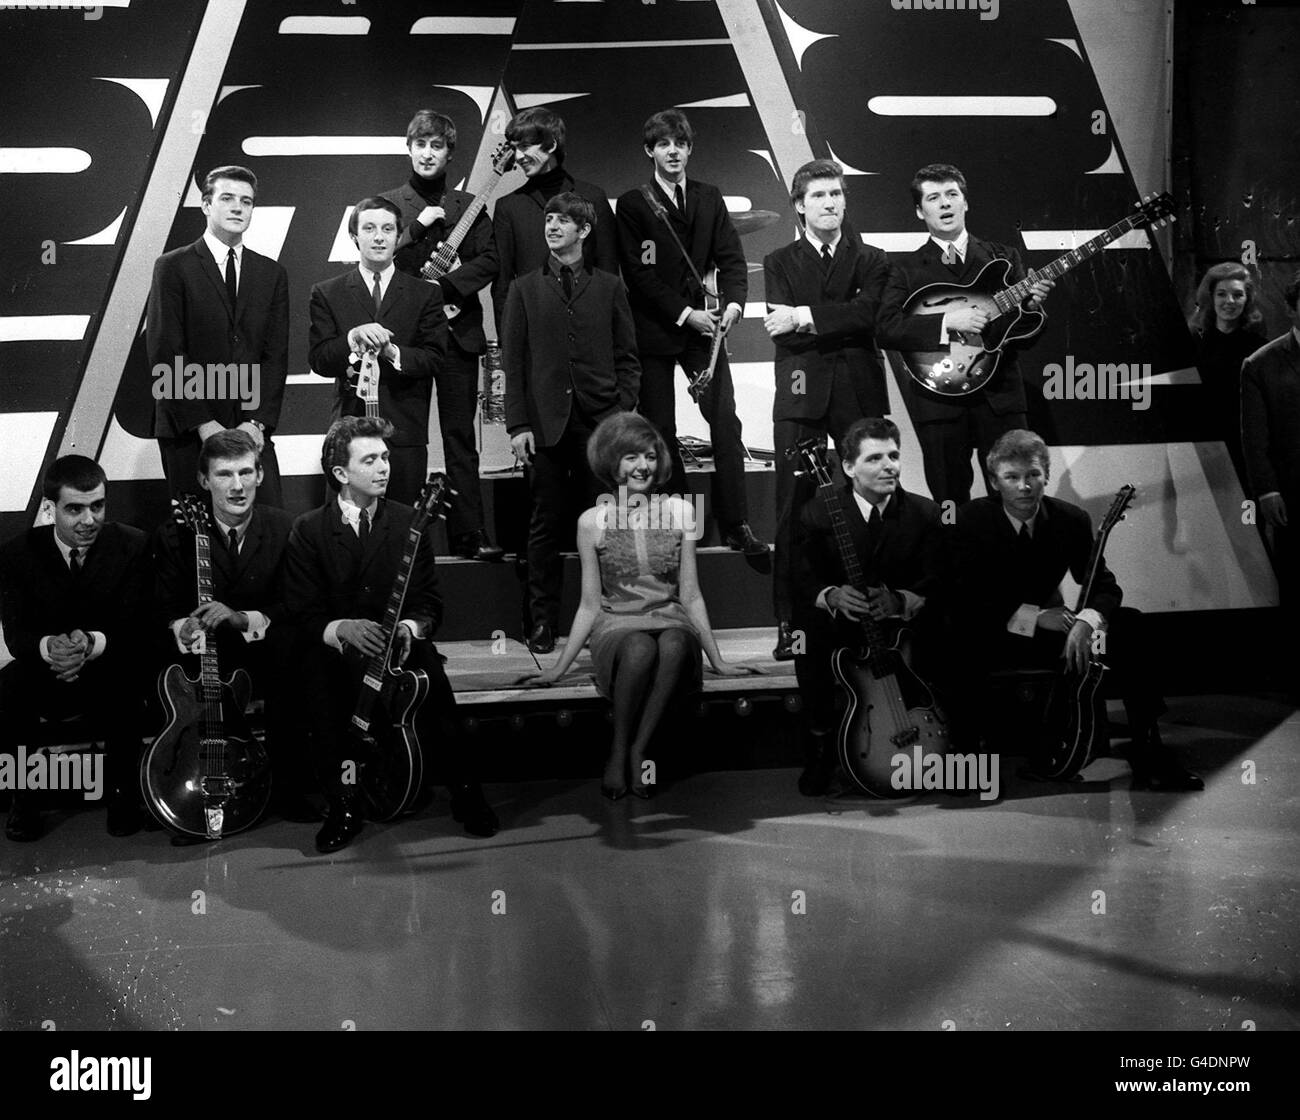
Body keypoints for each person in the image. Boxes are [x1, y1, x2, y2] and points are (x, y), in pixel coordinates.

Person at [282, 416, 498, 853]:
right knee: (322, 695)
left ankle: (466, 793)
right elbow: (301, 613)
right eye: (370, 459)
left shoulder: (408, 523)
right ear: (341, 474)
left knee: (436, 686)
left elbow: (430, 604)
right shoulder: (308, 530)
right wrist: (342, 628)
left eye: (385, 456)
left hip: (397, 646)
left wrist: (409, 627)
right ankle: (344, 804)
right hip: (338, 652)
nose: (384, 467)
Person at [952, 430, 1202, 790]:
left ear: (1046, 475)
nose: (1024, 487)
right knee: (954, 634)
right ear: (994, 481)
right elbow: (966, 599)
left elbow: (1104, 584)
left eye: (1033, 475)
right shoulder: (970, 520)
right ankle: (969, 753)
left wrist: (1087, 620)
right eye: (1012, 477)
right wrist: (1035, 617)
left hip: (1058, 635)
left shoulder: (1070, 519)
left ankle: (1149, 747)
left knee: (1130, 624)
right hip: (996, 634)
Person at [523, 414, 750, 798]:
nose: (641, 466)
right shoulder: (591, 521)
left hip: (671, 619)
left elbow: (691, 594)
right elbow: (589, 605)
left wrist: (718, 660)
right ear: (611, 463)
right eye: (630, 457)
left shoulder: (681, 511)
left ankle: (638, 750)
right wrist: (557, 669)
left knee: (676, 643)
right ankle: (618, 748)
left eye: (648, 456)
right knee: (641, 647)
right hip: (617, 626)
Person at [615, 109, 768, 556]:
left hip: (706, 333)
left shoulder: (709, 197)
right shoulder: (634, 204)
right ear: (650, 151)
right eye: (664, 144)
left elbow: (732, 257)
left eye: (680, 144)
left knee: (725, 421)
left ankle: (736, 523)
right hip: (658, 330)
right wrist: (686, 313)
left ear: (689, 149)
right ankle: (681, 523)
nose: (673, 151)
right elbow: (639, 275)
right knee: (660, 429)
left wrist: (735, 304)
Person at [502, 192, 641, 654]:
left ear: (584, 230)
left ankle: (609, 615)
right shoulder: (522, 288)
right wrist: (517, 424)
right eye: (549, 219)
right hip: (543, 425)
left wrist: (620, 413)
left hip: (600, 424)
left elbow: (628, 357)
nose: (553, 226)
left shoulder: (608, 286)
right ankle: (541, 623)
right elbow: (513, 364)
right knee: (544, 525)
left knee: (604, 523)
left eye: (564, 220)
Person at [764, 159, 892, 660]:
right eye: (819, 196)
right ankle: (790, 622)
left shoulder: (873, 259)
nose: (831, 203)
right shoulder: (779, 261)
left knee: (871, 503)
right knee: (792, 511)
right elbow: (782, 326)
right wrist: (824, 318)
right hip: (800, 393)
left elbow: (871, 316)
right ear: (799, 205)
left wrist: (806, 315)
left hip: (858, 393)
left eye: (837, 194)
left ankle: (873, 614)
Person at [152, 430, 312, 820]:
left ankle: (289, 788)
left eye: (246, 472)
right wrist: (182, 627)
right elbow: (162, 608)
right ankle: (182, 787)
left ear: (260, 474)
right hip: (203, 656)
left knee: (296, 655)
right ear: (204, 481)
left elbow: (294, 605)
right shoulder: (175, 535)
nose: (237, 486)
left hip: (263, 650)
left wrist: (241, 619)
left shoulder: (285, 528)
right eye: (224, 475)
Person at [877, 163, 1053, 507]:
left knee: (1016, 497)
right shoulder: (903, 269)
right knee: (948, 502)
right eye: (933, 197)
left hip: (1001, 397)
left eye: (951, 195)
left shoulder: (1003, 257)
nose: (944, 204)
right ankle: (953, 558)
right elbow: (885, 328)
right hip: (939, 401)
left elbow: (1026, 336)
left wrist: (1032, 307)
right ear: (919, 210)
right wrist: (945, 322)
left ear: (965, 203)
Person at [791, 418, 946, 795]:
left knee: (947, 623)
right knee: (805, 634)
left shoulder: (925, 513)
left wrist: (901, 600)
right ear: (848, 467)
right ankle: (822, 744)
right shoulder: (816, 512)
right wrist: (831, 595)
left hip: (899, 628)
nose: (888, 465)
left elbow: (939, 579)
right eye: (874, 458)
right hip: (842, 625)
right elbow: (801, 577)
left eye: (893, 455)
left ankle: (945, 730)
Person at [0, 456, 151, 840]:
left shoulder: (132, 545)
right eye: (75, 509)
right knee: (9, 685)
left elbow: (136, 626)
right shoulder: (17, 554)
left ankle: (122, 794)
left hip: (106, 664)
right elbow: (17, 638)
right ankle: (25, 797)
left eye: (97, 506)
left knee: (131, 678)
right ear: (51, 509)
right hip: (47, 669)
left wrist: (91, 643)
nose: (89, 520)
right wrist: (52, 647)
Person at [383, 109, 504, 561]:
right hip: (408, 338)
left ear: (450, 152)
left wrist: (451, 281)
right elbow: (376, 257)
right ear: (409, 147)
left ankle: (469, 535)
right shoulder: (390, 204)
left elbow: (491, 260)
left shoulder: (470, 205)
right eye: (421, 144)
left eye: (437, 145)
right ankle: (400, 540)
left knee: (459, 439)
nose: (428, 153)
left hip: (458, 335)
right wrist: (417, 227)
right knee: (405, 438)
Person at [147, 165, 289, 505]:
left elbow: (275, 357)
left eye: (246, 201)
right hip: (189, 430)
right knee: (195, 539)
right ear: (207, 205)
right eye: (227, 198)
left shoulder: (271, 273)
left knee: (268, 532)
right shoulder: (172, 267)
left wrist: (257, 423)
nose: (238, 207)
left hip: (249, 429)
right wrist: (203, 424)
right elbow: (166, 352)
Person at [308, 196, 448, 507]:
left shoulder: (426, 293)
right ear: (354, 236)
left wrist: (392, 351)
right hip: (348, 432)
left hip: (405, 435)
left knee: (401, 531)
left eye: (387, 229)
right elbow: (319, 359)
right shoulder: (327, 292)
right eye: (369, 228)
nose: (379, 236)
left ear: (399, 236)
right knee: (345, 534)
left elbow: (435, 358)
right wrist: (352, 338)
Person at [491, 107, 618, 320]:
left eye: (524, 146)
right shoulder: (508, 207)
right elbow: (503, 285)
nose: (518, 156)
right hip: (533, 335)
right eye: (515, 148)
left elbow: (609, 272)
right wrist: (510, 343)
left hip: (590, 331)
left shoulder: (593, 197)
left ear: (551, 144)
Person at [1241, 269, 1300, 658]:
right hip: (1291, 492)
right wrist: (1267, 489)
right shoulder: (1260, 364)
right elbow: (1253, 438)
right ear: (1292, 309)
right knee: (1296, 584)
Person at [1188, 261, 1268, 483]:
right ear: (1211, 298)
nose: (1229, 301)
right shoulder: (1192, 346)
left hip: (1243, 451)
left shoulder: (1260, 348)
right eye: (1222, 294)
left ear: (1247, 299)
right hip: (1200, 450)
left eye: (1237, 294)